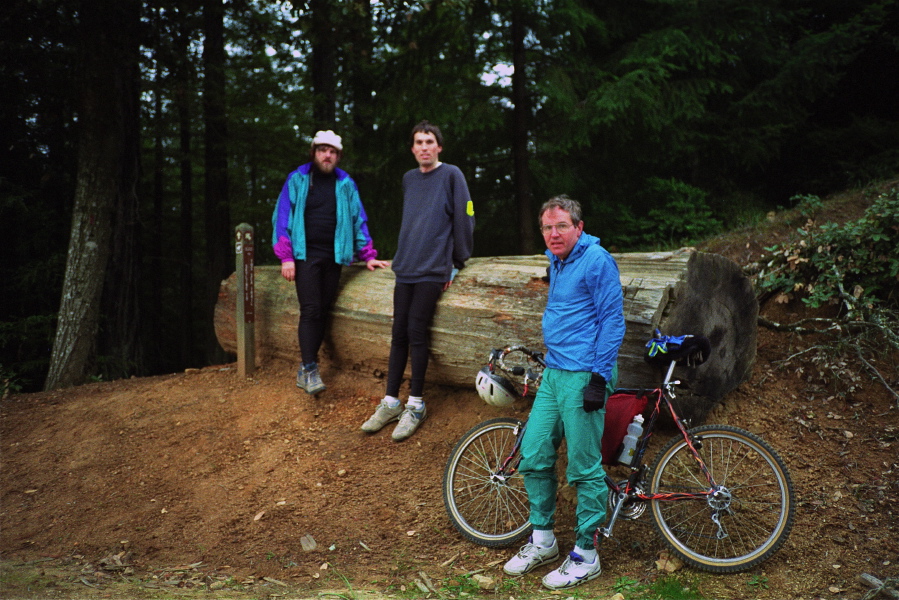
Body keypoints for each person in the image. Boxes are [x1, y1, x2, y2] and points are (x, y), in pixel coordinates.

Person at [503, 195, 625, 590]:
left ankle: (586, 555)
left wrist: (597, 377)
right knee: (535, 453)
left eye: (561, 226)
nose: (553, 234)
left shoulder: (596, 260)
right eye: (547, 227)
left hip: (584, 375)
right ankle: (543, 540)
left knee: (584, 468)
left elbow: (611, 321)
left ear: (579, 227)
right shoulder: (558, 259)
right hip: (555, 374)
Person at [360, 121, 475, 441]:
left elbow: (465, 218)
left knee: (416, 330)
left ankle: (416, 404)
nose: (424, 146)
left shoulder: (451, 175)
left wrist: (457, 262)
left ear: (439, 146)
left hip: (433, 268)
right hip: (406, 266)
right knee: (398, 332)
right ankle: (391, 401)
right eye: (418, 142)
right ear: (412, 149)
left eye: (429, 141)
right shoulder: (409, 179)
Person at [272, 130, 389, 395]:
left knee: (323, 310)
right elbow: (282, 218)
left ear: (338, 156)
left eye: (333, 151)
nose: (328, 155)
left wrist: (368, 256)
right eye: (323, 150)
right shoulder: (298, 179)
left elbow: (358, 219)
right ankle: (309, 368)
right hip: (305, 256)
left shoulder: (345, 183)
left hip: (334, 257)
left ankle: (310, 365)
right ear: (314, 152)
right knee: (311, 309)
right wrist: (286, 256)